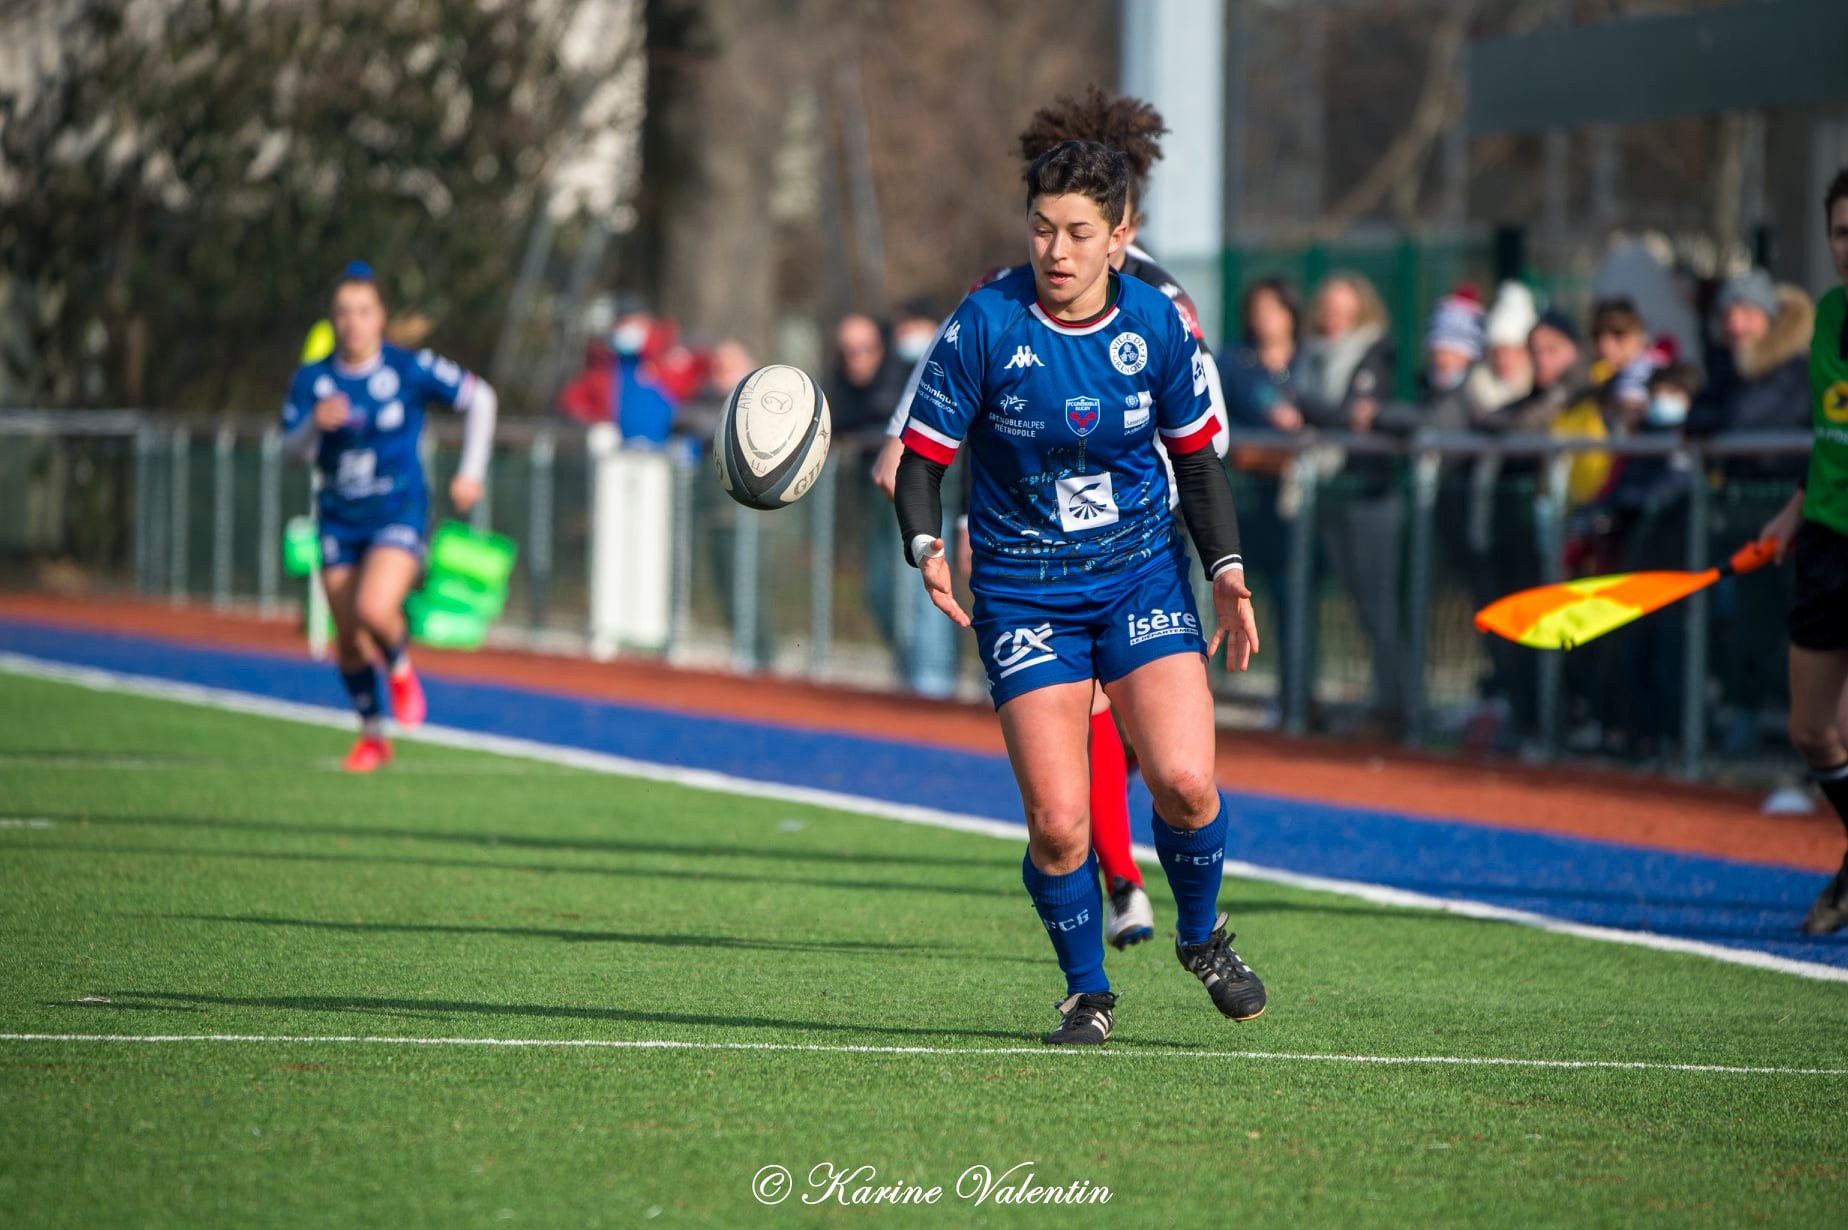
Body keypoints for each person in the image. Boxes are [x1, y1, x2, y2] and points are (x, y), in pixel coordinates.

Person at [894, 140, 1263, 1044]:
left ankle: (1202, 937)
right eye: (1041, 228)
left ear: (1120, 235)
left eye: (1078, 232)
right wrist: (925, 542)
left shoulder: (1157, 322)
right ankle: (1087, 993)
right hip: (1024, 593)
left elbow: (1197, 461)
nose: (1055, 251)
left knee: (1185, 781)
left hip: (1139, 576)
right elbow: (921, 460)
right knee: (1060, 824)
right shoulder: (985, 321)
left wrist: (1225, 570)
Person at [281, 265, 498, 772]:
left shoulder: (408, 368)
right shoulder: (314, 380)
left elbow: (481, 398)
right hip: (338, 518)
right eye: (343, 313)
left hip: (398, 510)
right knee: (348, 637)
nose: (353, 323)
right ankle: (373, 735)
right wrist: (313, 425)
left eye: (363, 311)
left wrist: (471, 472)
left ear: (380, 316)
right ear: (332, 319)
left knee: (374, 609)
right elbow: (290, 454)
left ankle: (399, 668)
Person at [1758, 167, 1848, 935]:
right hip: (1823, 540)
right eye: (1842, 232)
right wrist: (1793, 510)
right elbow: (1828, 435)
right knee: (1812, 731)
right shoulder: (1826, 316)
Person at [1296, 271, 1402, 732]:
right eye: (1330, 309)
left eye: (1346, 310)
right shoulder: (1309, 357)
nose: (1336, 319)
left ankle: (1398, 706)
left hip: (1372, 496)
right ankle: (1380, 702)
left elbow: (1348, 416)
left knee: (1380, 605)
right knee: (1356, 604)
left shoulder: (1375, 351)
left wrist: (1308, 410)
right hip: (1332, 495)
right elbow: (1339, 414)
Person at [1466, 280, 1537, 417]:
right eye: (1497, 353)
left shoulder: (1538, 394)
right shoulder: (1472, 390)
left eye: (1512, 353)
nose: (1503, 360)